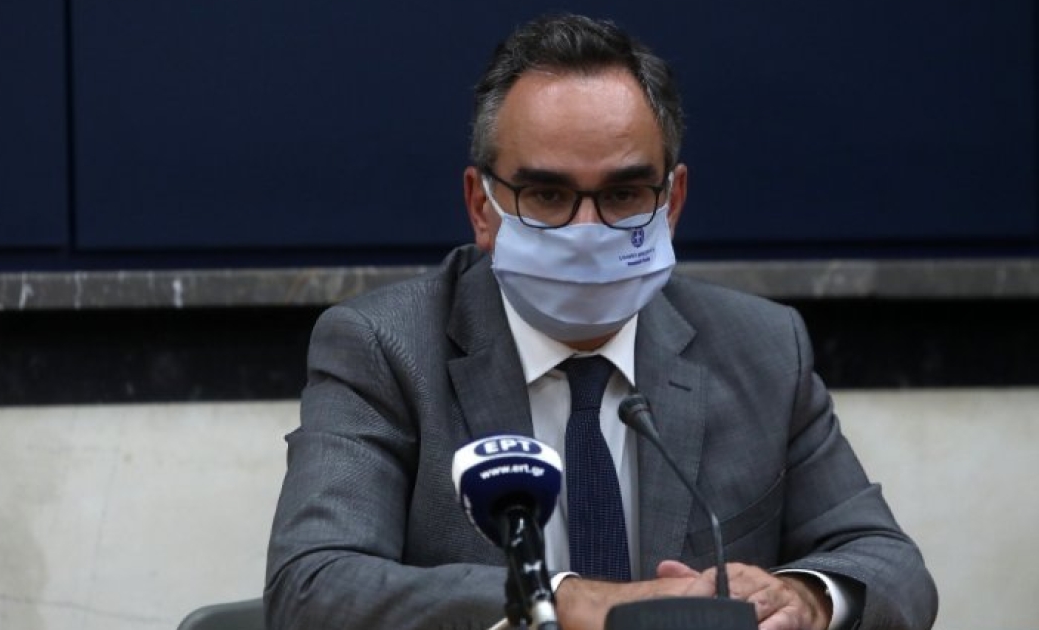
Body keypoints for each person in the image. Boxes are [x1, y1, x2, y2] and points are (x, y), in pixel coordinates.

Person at [265, 13, 937, 630]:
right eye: (547, 194)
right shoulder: (385, 348)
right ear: (481, 207)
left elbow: (889, 564)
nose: (586, 230)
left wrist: (808, 597)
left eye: (622, 194)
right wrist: (563, 599)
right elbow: (312, 586)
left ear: (671, 202)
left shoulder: (761, 348)